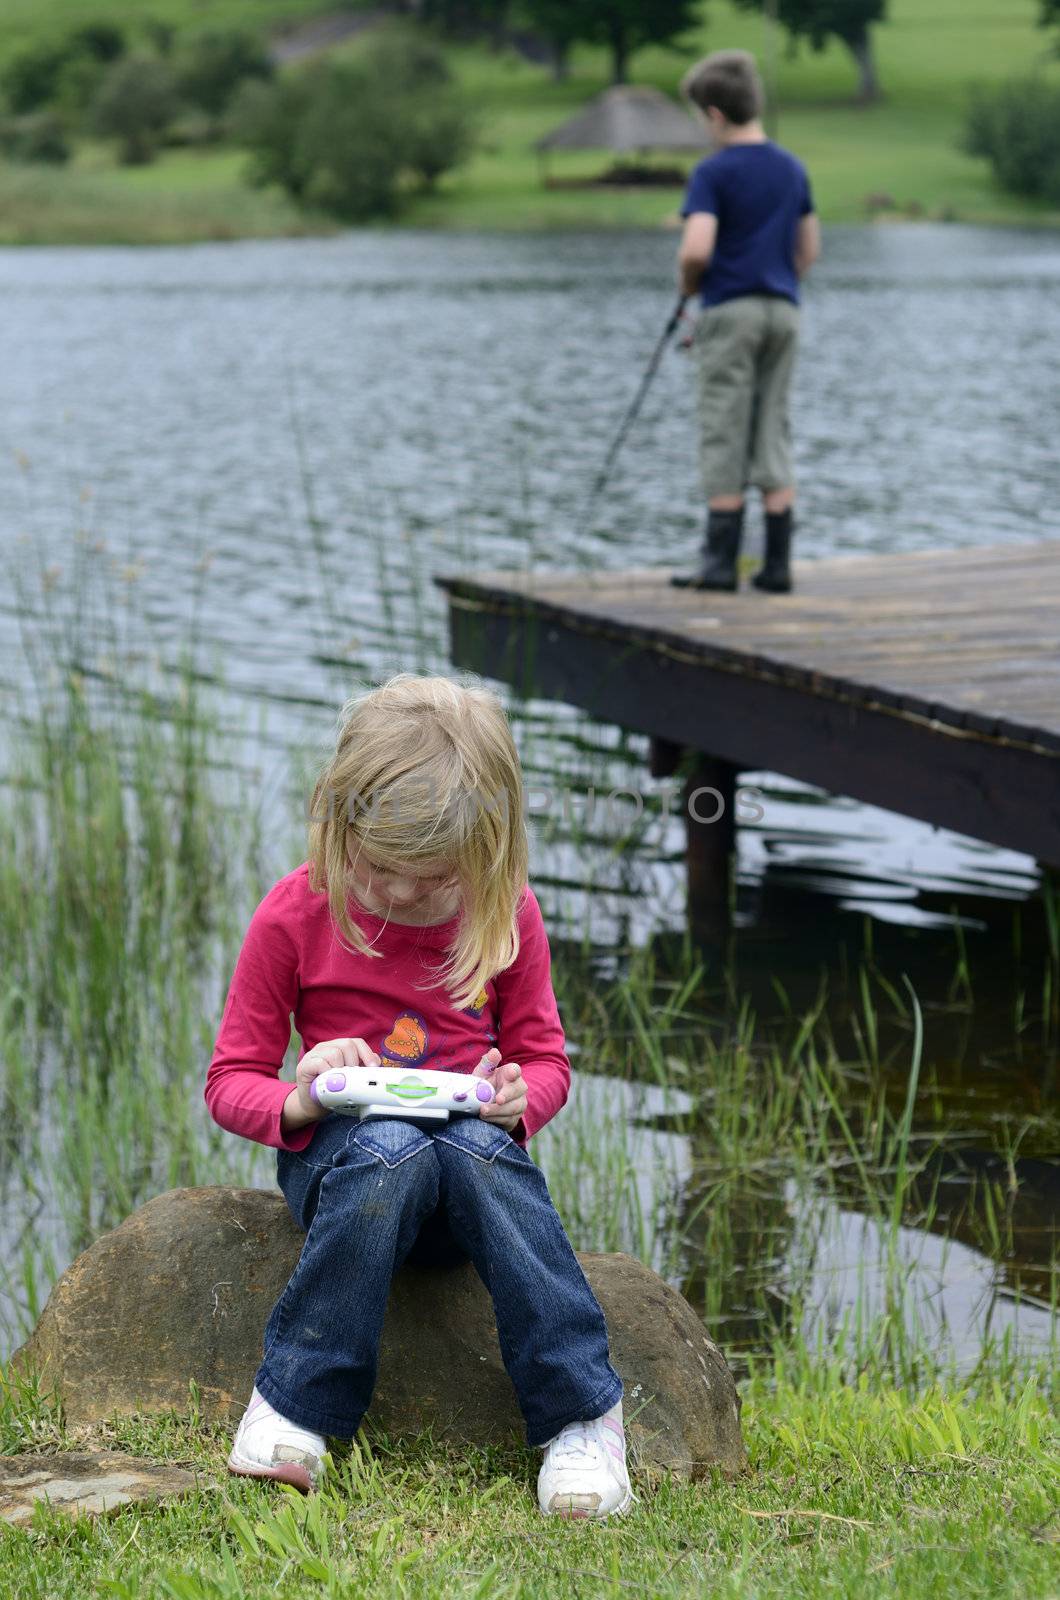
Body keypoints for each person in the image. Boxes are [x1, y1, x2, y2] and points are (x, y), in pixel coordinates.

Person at [206, 674, 631, 1519]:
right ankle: (296, 1404)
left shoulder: (504, 914)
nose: (399, 896)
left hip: (467, 1181)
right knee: (390, 1151)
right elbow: (228, 1083)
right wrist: (306, 1094)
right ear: (338, 822)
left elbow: (547, 1061)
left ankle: (582, 1417)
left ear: (487, 851)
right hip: (346, 1169)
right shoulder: (294, 915)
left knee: (477, 1151)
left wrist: (521, 1096)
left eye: (430, 880)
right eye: (376, 869)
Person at [671, 49, 820, 595]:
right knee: (772, 425)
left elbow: (696, 249)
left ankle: (718, 567)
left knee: (723, 425)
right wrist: (778, 277)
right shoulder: (790, 167)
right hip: (784, 309)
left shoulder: (712, 172)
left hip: (730, 311)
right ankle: (777, 566)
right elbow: (809, 248)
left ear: (714, 115)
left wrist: (691, 289)